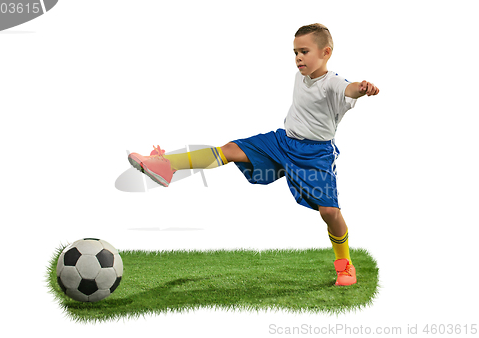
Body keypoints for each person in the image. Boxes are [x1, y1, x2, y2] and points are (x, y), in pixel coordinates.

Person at [128, 23, 379, 286]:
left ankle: (345, 266)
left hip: (314, 155)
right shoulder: (301, 76)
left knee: (329, 213)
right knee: (230, 150)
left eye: (304, 51)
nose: (298, 58)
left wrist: (363, 89)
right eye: (295, 52)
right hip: (282, 142)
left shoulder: (334, 83)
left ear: (326, 52)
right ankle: (167, 165)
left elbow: (349, 89)